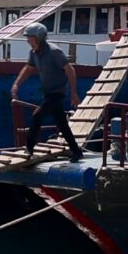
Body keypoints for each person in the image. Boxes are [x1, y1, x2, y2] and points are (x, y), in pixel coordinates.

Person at [11, 23, 84, 162]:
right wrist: (16, 84)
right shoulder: (34, 53)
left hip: (57, 93)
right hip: (47, 93)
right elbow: (28, 69)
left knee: (36, 116)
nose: (27, 41)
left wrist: (73, 93)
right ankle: (76, 151)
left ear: (38, 38)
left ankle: (29, 148)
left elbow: (70, 70)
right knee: (62, 124)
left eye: (29, 38)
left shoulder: (53, 52)